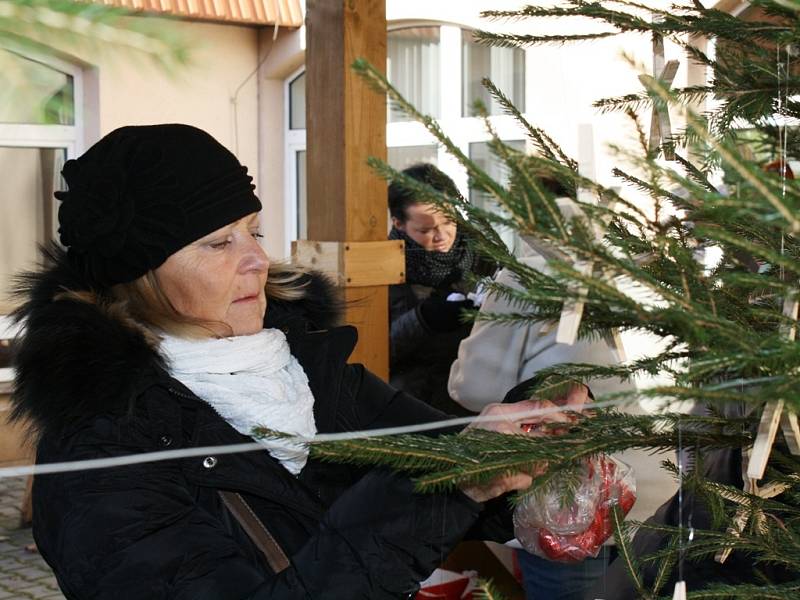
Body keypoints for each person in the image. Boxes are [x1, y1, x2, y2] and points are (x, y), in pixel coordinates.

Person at [10, 124, 539, 599]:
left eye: (254, 231)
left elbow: (449, 454)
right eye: (219, 243)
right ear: (138, 275)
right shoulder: (104, 455)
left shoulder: (306, 372)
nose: (258, 260)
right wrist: (454, 487)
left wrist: (535, 449)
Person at [448, 184, 677, 600]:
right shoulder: (621, 267)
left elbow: (475, 389)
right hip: (658, 485)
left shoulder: (523, 277)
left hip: (576, 501)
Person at [388, 163, 492, 415]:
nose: (441, 235)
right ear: (399, 224)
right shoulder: (384, 264)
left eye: (448, 220)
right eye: (424, 230)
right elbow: (373, 349)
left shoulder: (482, 253)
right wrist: (423, 319)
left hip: (480, 398)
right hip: (416, 405)